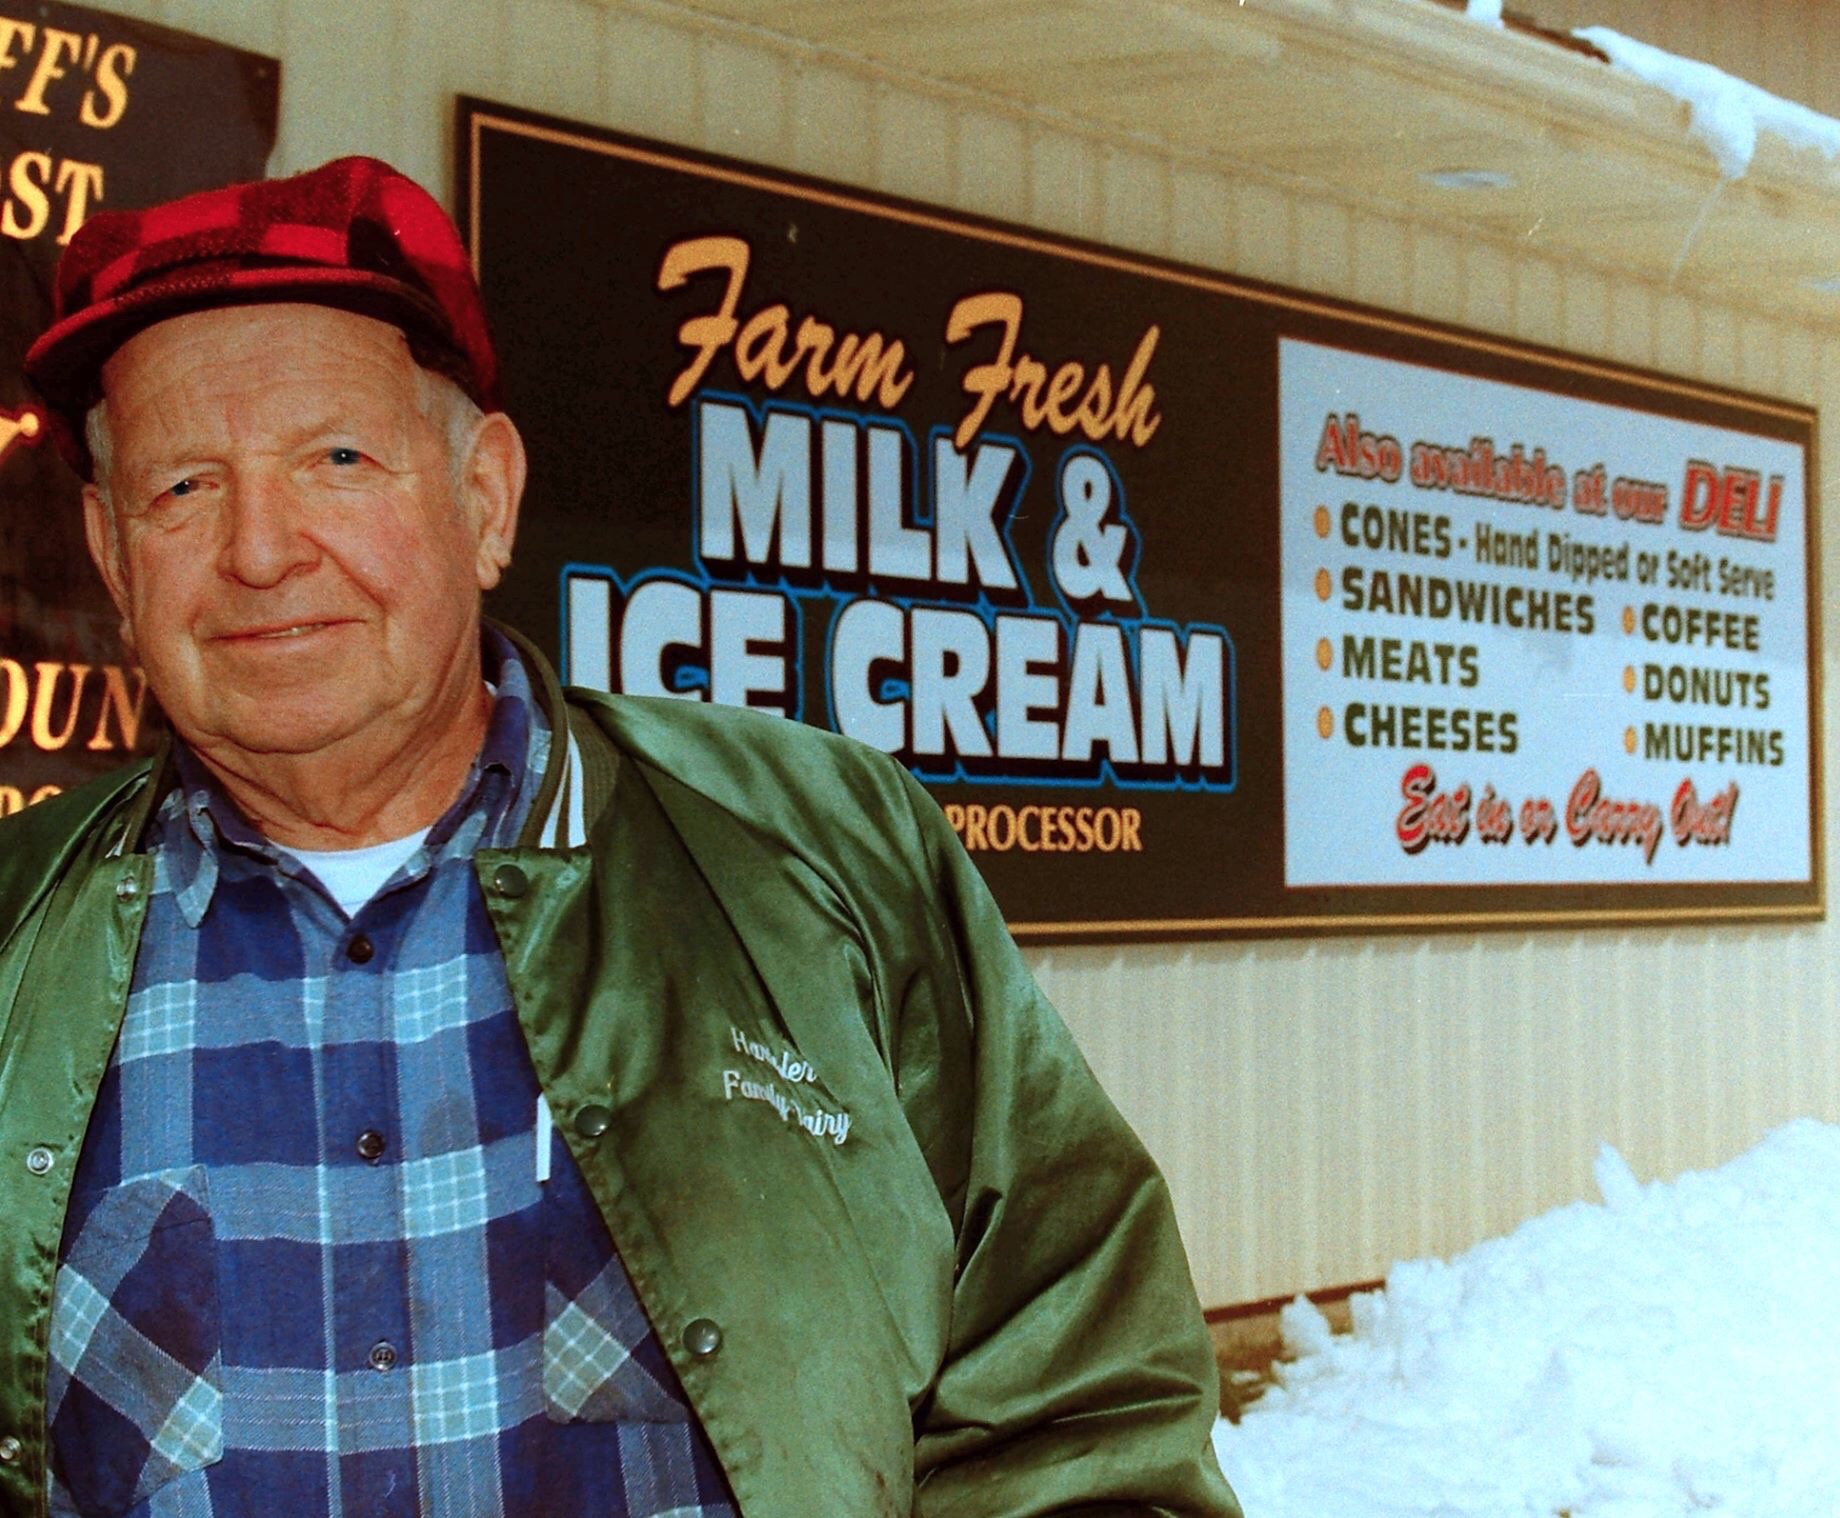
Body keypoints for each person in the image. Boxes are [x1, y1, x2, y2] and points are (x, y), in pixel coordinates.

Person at [0, 157, 1240, 1518]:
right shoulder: (17, 944)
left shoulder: (818, 855)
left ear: (484, 498)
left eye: (337, 459)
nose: (259, 548)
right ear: (113, 558)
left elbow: (1077, 1399)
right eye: (183, 487)